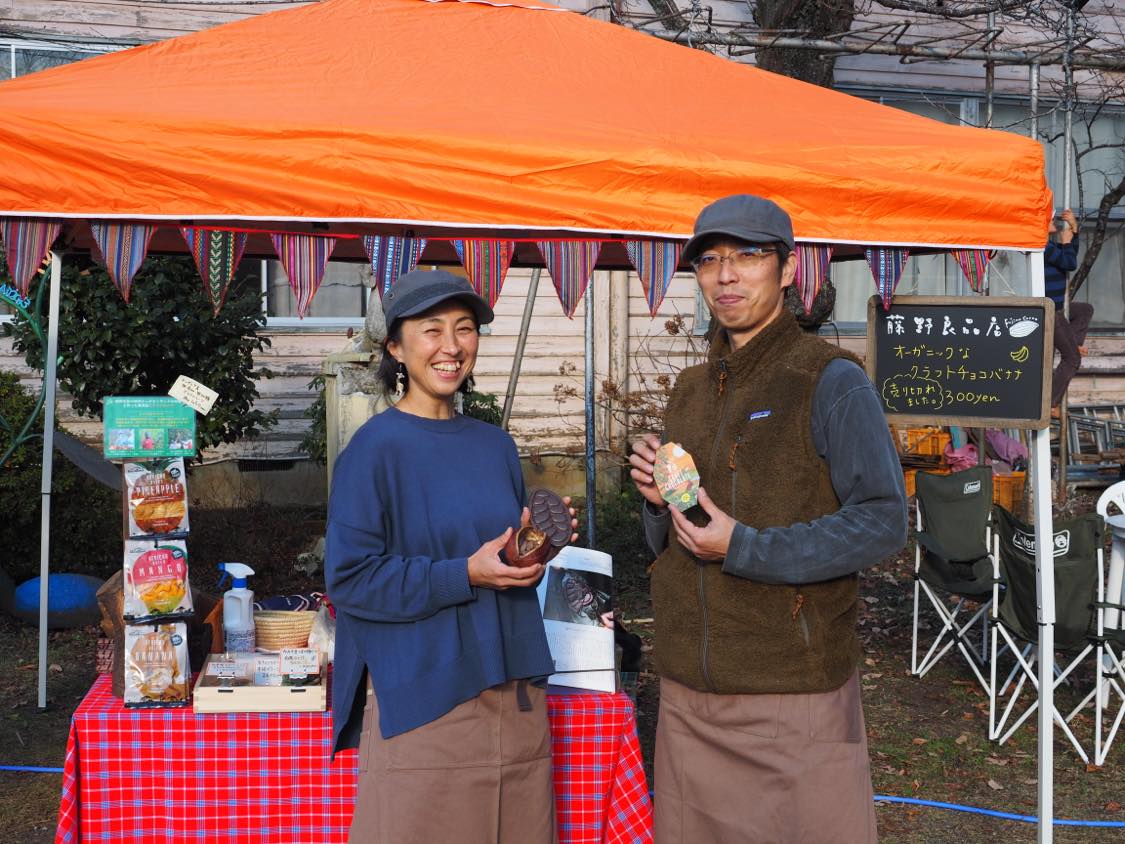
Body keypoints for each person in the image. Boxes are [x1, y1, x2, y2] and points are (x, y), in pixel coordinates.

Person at [629, 195, 908, 843]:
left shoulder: (830, 380)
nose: (725, 275)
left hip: (790, 691)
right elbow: (677, 534)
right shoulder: (689, 391)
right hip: (689, 694)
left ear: (787, 270)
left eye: (747, 256)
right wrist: (657, 503)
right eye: (709, 260)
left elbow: (881, 521)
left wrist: (743, 546)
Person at [325, 269, 572, 843]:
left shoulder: (494, 445)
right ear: (395, 347)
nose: (452, 346)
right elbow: (352, 580)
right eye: (432, 330)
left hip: (515, 694)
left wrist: (532, 546)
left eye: (465, 329)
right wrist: (464, 574)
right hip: (428, 698)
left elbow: (501, 559)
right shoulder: (375, 450)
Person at [1046, 208, 1092, 409]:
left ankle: (1074, 342)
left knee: (1084, 310)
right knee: (1072, 359)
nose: (1054, 222)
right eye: (1050, 219)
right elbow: (1069, 262)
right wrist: (1066, 242)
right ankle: (1050, 403)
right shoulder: (1042, 246)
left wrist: (1075, 230)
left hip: (1057, 307)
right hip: (1050, 311)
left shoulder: (1049, 246)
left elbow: (1068, 253)